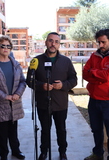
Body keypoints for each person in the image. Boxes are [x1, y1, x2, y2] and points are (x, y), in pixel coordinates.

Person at [26, 32, 77, 160]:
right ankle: (44, 152)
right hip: (43, 103)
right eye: (50, 40)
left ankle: (62, 152)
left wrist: (64, 85)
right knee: (45, 130)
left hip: (60, 103)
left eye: (56, 41)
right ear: (45, 42)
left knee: (61, 129)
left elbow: (74, 80)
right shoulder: (36, 60)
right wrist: (40, 85)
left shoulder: (66, 61)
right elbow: (29, 80)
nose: (53, 44)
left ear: (59, 44)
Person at [83, 29, 109, 160]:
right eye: (98, 42)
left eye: (103, 42)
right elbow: (85, 74)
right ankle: (98, 154)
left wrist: (94, 72)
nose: (100, 45)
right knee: (96, 130)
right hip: (94, 99)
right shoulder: (94, 56)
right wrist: (100, 75)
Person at [0, 36, 26, 160]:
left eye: (8, 46)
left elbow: (22, 82)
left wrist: (18, 94)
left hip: (14, 102)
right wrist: (4, 96)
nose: (6, 48)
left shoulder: (15, 64)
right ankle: (3, 154)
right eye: (3, 45)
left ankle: (16, 151)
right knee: (2, 133)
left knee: (13, 131)